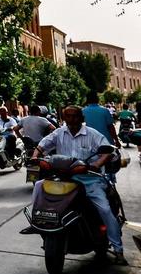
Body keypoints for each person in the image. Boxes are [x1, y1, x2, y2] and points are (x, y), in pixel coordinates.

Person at [26, 106, 127, 263]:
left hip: (89, 179)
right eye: (68, 116)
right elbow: (43, 144)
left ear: (81, 118)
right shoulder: (59, 132)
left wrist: (97, 164)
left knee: (105, 209)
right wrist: (35, 156)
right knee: (39, 186)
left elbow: (108, 151)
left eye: (75, 116)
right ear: (64, 118)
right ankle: (39, 223)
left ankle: (118, 249)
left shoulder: (93, 134)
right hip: (63, 179)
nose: (71, 120)